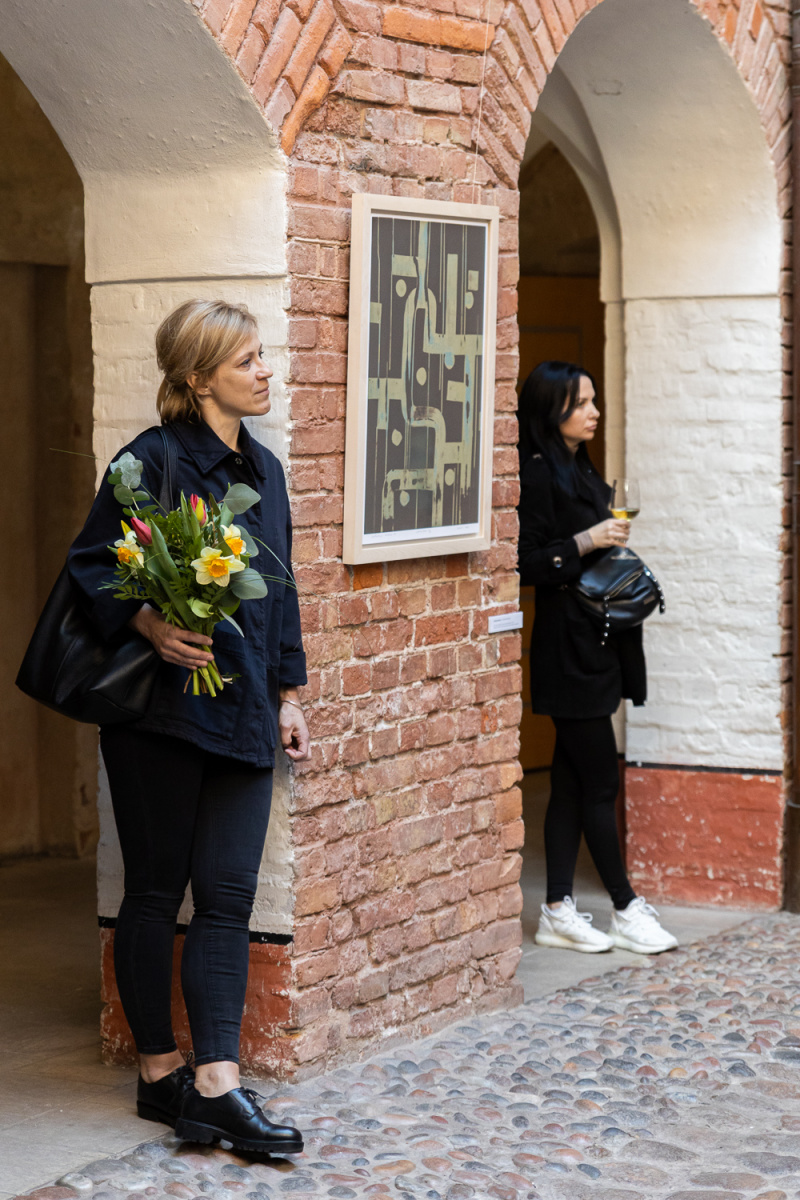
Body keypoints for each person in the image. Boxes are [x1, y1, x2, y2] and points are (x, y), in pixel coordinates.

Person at [68, 300, 309, 1153]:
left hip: (245, 712)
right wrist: (148, 622)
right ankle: (159, 1071)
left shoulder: (265, 470)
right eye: (247, 360)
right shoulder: (149, 461)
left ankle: (217, 1085)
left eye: (262, 356)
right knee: (153, 890)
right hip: (161, 718)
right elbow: (92, 566)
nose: (265, 371)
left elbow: (281, 590)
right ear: (201, 377)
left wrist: (290, 693)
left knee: (229, 897)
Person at [517, 360, 676, 956]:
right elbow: (525, 562)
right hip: (568, 651)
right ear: (551, 408)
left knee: (567, 782)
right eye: (581, 402)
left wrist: (604, 536)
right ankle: (626, 908)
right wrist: (589, 539)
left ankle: (558, 909)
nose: (594, 412)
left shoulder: (577, 464)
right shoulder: (536, 472)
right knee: (601, 782)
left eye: (593, 400)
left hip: (596, 643)